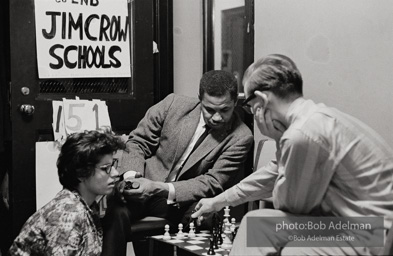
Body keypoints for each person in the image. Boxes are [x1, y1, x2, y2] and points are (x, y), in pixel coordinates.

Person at [191, 54, 393, 255]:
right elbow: (271, 174)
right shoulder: (312, 119)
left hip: (370, 232)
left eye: (250, 106)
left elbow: (291, 208)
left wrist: (276, 139)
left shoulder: (302, 134)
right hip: (359, 225)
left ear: (261, 100)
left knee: (278, 240)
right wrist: (218, 201)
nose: (252, 112)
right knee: (257, 225)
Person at [102, 70, 253, 256]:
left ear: (235, 103)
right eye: (210, 109)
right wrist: (132, 178)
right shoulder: (172, 104)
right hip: (142, 186)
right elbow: (138, 142)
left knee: (206, 218)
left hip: (181, 201)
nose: (217, 117)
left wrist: (158, 187)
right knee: (114, 207)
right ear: (199, 100)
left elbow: (212, 182)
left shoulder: (241, 137)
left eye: (225, 110)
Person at [8, 130, 126, 256]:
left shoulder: (87, 205)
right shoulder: (68, 214)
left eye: (113, 165)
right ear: (81, 173)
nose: (115, 173)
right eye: (105, 168)